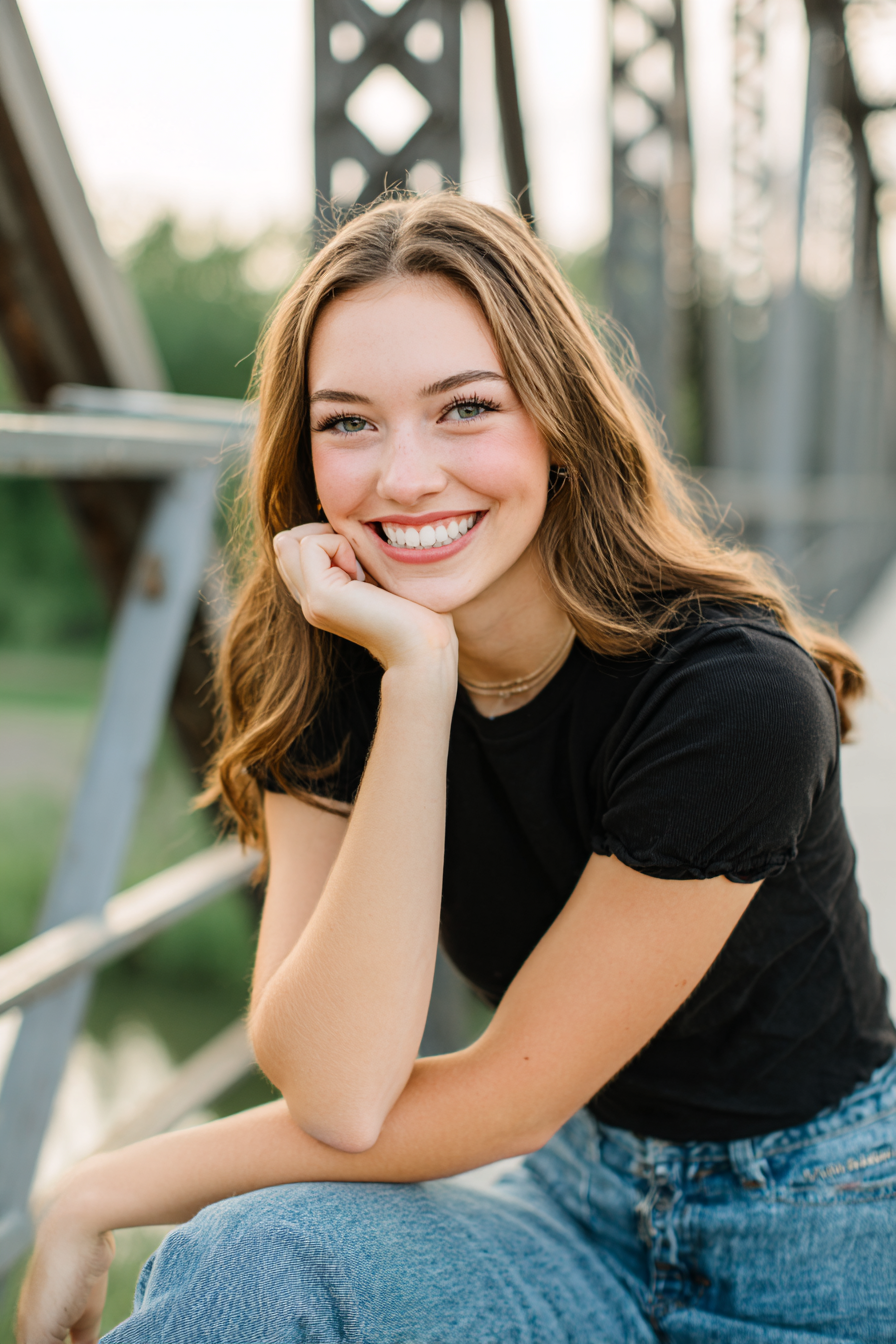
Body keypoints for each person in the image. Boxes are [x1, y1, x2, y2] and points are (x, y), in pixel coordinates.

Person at [17, 194, 896, 1344]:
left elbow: (504, 1103)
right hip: (574, 1210)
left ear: (558, 424)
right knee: (243, 1262)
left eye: (465, 408)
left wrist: (95, 1190)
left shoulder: (731, 700)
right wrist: (416, 684)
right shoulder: (334, 653)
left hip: (815, 1241)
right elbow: (332, 1088)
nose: (405, 477)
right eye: (348, 424)